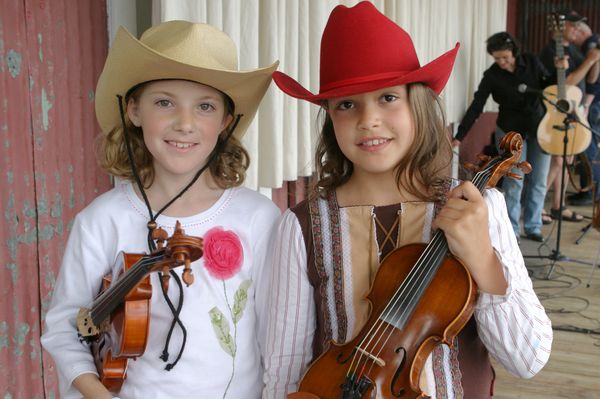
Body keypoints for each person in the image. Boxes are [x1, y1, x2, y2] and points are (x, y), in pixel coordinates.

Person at [260, 2, 553, 398]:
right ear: (330, 116)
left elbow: (528, 359)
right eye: (347, 104)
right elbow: (284, 369)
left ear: (417, 102)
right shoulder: (300, 228)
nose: (368, 120)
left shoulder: (477, 206)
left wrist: (483, 258)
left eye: (387, 98)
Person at [41, 21, 279, 399]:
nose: (184, 123)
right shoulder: (102, 220)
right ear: (134, 110)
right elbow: (65, 329)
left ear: (225, 122)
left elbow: (277, 339)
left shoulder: (259, 218)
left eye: (204, 106)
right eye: (165, 102)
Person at [453, 32, 552, 243]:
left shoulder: (532, 62)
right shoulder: (492, 75)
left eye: (505, 57)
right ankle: (512, 229)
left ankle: (534, 226)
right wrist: (460, 136)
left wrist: (562, 68)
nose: (502, 62)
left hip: (540, 126)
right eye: (497, 58)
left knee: (539, 179)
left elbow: (550, 86)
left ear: (514, 51)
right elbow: (477, 105)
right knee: (514, 182)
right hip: (509, 130)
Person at [539, 9, 600, 223]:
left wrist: (595, 59)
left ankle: (558, 205)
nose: (576, 29)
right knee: (558, 160)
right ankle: (538, 207)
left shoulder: (574, 51)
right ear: (559, 27)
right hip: (557, 114)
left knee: (568, 160)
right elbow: (569, 82)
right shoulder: (551, 52)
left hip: (576, 112)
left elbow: (590, 78)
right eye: (572, 25)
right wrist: (589, 61)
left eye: (577, 26)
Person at [568, 21, 600, 206]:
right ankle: (592, 191)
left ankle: (589, 191)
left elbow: (592, 78)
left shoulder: (591, 43)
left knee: (589, 147)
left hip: (593, 102)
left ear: (580, 31)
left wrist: (586, 104)